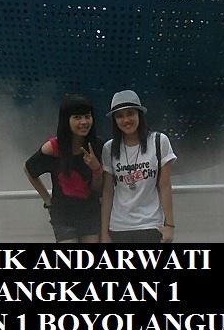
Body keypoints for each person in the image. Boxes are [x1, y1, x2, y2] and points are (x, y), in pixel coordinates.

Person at [24, 93, 104, 243]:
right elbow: (29, 169)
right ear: (66, 120)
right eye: (77, 117)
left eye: (87, 117)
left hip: (89, 213)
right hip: (63, 216)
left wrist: (96, 169)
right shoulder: (53, 148)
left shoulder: (97, 145)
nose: (84, 122)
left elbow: (97, 189)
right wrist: (47, 200)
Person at [100, 90, 176, 243]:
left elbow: (165, 186)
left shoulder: (159, 141)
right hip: (119, 227)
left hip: (151, 224)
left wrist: (170, 225)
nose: (126, 120)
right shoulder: (109, 148)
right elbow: (108, 192)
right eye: (120, 116)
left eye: (130, 113)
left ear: (139, 115)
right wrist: (104, 233)